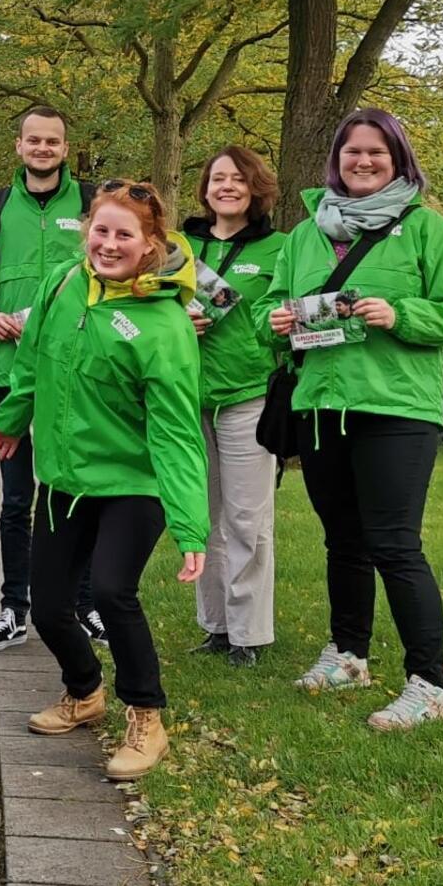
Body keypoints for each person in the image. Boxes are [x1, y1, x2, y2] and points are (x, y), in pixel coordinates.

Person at [265, 107, 443, 731]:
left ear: (399, 161)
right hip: (319, 407)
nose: (362, 162)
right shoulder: (304, 236)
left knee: (395, 544)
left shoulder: (430, 232)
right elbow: (267, 314)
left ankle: (430, 682)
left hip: (396, 408)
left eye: (376, 153)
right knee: (343, 541)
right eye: (351, 152)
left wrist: (402, 315)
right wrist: (275, 324)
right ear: (334, 160)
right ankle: (348, 654)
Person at [0, 179, 207, 781]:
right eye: (100, 230)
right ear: (87, 231)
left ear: (151, 243)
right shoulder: (64, 283)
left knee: (111, 591)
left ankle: (148, 718)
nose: (108, 244)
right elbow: (32, 360)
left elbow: (178, 433)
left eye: (123, 235)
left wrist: (190, 525)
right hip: (63, 476)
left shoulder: (164, 326)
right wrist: (12, 420)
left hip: (134, 482)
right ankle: (84, 692)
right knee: (50, 606)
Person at [0, 107, 102, 652]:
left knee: (78, 492)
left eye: (53, 141)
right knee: (17, 500)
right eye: (33, 140)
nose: (43, 149)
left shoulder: (91, 205)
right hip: (10, 373)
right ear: (18, 146)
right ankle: (15, 607)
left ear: (66, 147)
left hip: (77, 375)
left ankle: (83, 606)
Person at [183, 146, 288, 668]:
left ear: (254, 188)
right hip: (187, 397)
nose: (226, 186)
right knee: (202, 521)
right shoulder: (179, 246)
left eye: (237, 179)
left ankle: (249, 634)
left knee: (247, 521)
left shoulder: (280, 248)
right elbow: (149, 301)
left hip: (248, 395)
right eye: (217, 178)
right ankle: (216, 626)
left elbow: (284, 311)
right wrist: (179, 318)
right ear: (205, 188)